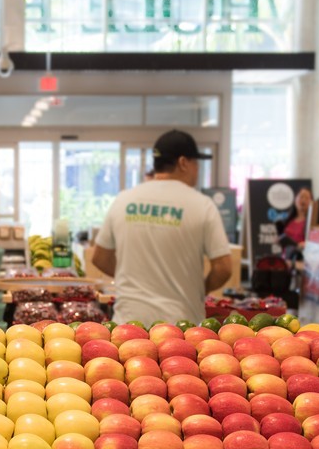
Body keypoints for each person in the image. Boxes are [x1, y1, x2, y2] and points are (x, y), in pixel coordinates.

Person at [90, 130, 231, 325]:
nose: (198, 170)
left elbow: (99, 257)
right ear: (183, 163)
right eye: (196, 163)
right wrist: (200, 289)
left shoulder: (124, 200)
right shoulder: (201, 205)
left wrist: (135, 280)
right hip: (181, 329)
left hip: (128, 327)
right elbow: (224, 267)